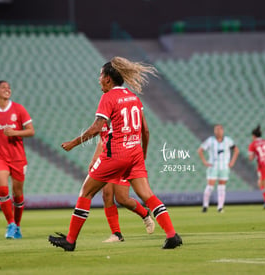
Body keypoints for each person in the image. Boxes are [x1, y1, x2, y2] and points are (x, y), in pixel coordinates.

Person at [48, 56, 182, 251]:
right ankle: (172, 235)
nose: (99, 79)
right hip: (135, 153)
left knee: (86, 192)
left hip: (117, 154)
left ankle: (70, 240)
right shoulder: (134, 98)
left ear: (108, 79)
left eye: (100, 76)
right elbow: (145, 131)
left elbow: (96, 128)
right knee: (147, 195)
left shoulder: (108, 97)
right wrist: (141, 155)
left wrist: (74, 143)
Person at [0, 80, 35, 239]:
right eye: (3, 87)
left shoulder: (18, 109)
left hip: (17, 156)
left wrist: (15, 133)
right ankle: (10, 224)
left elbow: (31, 131)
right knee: (3, 189)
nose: (7, 89)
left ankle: (17, 226)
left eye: (9, 87)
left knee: (18, 194)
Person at [89, 125, 155, 243]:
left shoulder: (122, 118)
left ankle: (145, 214)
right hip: (108, 161)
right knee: (107, 195)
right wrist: (94, 159)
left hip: (123, 159)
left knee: (122, 198)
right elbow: (103, 140)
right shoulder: (104, 120)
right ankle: (116, 234)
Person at [198, 124, 239, 213]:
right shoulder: (210, 140)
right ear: (214, 131)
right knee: (210, 186)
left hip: (224, 166)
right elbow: (200, 150)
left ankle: (220, 207)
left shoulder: (228, 140)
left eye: (220, 129)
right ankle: (205, 205)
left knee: (222, 187)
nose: (218, 131)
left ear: (223, 131)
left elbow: (236, 150)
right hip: (213, 166)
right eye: (217, 129)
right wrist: (205, 161)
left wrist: (232, 162)